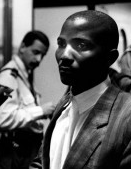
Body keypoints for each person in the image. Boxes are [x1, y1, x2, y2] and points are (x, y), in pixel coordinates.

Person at [30, 10, 131, 169]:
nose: (64, 55)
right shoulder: (65, 104)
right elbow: (42, 161)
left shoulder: (125, 118)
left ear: (110, 58)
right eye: (61, 44)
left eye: (81, 45)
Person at [0, 30, 56, 169]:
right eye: (36, 52)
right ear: (22, 47)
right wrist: (41, 110)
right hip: (16, 150)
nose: (39, 59)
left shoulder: (24, 75)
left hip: (26, 150)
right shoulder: (8, 77)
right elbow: (3, 118)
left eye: (43, 55)